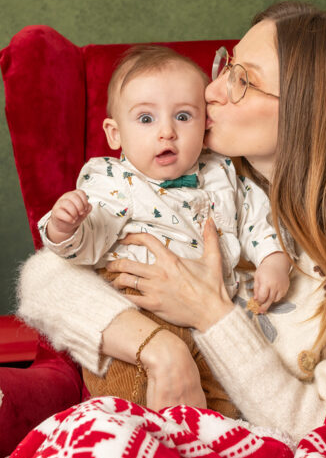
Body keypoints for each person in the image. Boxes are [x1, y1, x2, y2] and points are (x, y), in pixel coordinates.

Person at [17, 0, 326, 441]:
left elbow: (324, 432)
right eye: (227, 66)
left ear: (309, 113)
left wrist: (210, 313)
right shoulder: (201, 180)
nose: (211, 90)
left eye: (243, 80)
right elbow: (45, 278)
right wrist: (161, 349)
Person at [37, 44, 292, 413]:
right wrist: (66, 226)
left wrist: (272, 258)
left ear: (206, 122)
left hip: (215, 324)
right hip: (140, 317)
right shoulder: (114, 180)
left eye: (183, 116)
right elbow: (87, 242)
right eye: (145, 119)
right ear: (115, 133)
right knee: (134, 407)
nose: (167, 132)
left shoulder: (221, 172)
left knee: (224, 411)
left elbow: (257, 217)